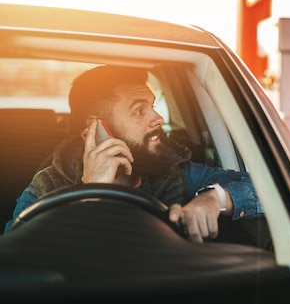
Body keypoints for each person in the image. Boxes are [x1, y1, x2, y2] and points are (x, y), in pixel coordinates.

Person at [5, 65, 266, 247]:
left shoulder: (176, 171)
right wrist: (91, 193)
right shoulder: (47, 186)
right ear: (96, 130)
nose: (159, 119)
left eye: (153, 106)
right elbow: (16, 261)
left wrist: (215, 199)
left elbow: (273, 192)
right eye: (139, 112)